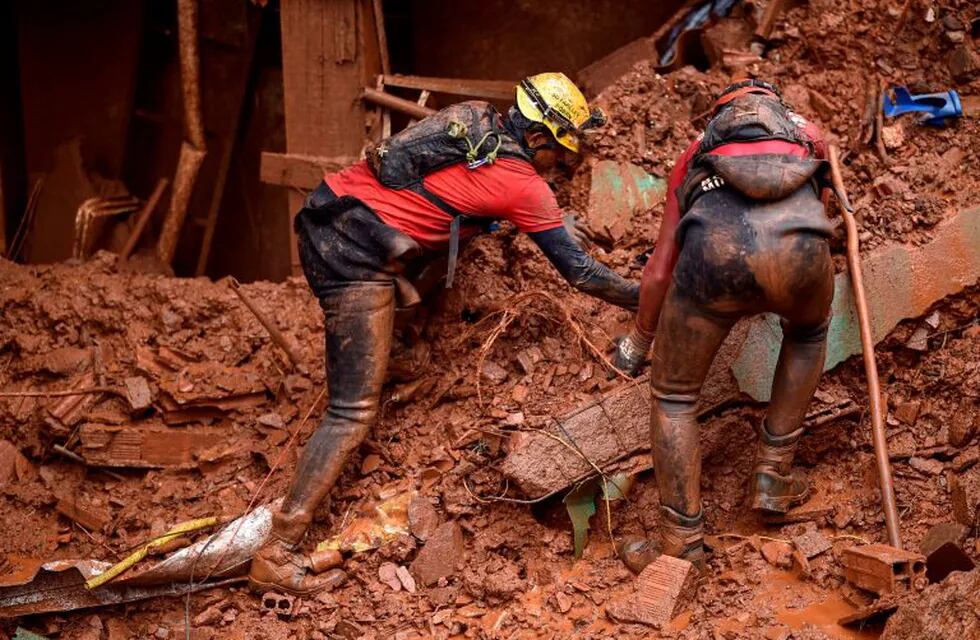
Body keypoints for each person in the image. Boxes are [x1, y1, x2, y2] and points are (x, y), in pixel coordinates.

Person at [249, 72, 640, 594]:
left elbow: (451, 198)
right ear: (540, 138)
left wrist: (524, 219)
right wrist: (650, 295)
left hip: (330, 213)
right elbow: (582, 274)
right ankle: (277, 552)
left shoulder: (474, 124)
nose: (561, 165)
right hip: (354, 257)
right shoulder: (525, 184)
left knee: (445, 254)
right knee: (351, 410)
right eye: (561, 153)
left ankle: (399, 342)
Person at [612, 79, 834, 569]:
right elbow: (828, 210)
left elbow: (660, 269)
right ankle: (774, 477)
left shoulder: (697, 151)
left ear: (718, 115)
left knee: (674, 396)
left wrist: (638, 341)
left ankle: (681, 540)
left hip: (715, 260)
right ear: (777, 104)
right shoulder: (808, 136)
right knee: (808, 333)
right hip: (802, 257)